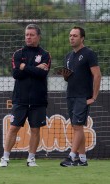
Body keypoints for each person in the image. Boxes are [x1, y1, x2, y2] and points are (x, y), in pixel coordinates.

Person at [0, 24, 51, 167]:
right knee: (13, 128)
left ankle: (31, 159)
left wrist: (25, 68)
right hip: (20, 99)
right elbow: (16, 74)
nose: (28, 37)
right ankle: (5, 158)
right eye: (27, 34)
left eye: (31, 34)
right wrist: (34, 69)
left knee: (35, 130)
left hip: (38, 100)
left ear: (38, 36)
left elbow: (43, 73)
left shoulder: (45, 54)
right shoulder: (18, 54)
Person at [59, 26, 101, 167]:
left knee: (77, 126)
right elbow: (70, 78)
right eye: (70, 35)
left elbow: (97, 75)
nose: (71, 38)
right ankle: (82, 159)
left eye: (75, 35)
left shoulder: (89, 54)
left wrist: (94, 97)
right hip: (71, 95)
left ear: (82, 38)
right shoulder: (68, 56)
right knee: (77, 127)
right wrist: (65, 76)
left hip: (83, 97)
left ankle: (71, 157)